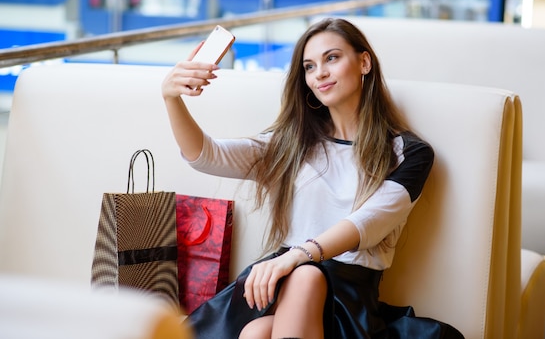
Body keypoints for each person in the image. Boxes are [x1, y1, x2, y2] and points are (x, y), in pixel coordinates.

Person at [161, 18, 464, 339]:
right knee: (255, 331)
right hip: (280, 286)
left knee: (295, 289)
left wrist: (297, 257)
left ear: (364, 62)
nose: (319, 72)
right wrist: (171, 99)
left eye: (331, 58)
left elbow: (368, 222)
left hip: (346, 302)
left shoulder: (409, 152)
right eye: (309, 66)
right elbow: (207, 155)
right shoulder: (293, 144)